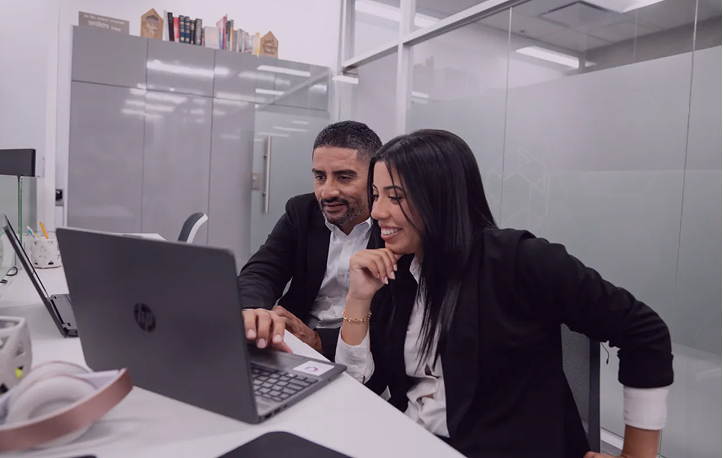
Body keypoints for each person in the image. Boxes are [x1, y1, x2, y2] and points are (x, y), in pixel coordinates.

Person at [335, 130, 673, 458]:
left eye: (396, 197)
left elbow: (644, 331)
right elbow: (358, 385)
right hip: (409, 439)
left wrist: (636, 455)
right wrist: (359, 298)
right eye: (376, 195)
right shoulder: (396, 269)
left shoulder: (516, 260)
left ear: (440, 197)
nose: (377, 211)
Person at [238, 121, 383, 359]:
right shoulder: (302, 211)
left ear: (375, 178)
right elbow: (262, 272)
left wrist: (318, 341)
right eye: (320, 177)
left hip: (363, 354)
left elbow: (394, 325)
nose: (327, 191)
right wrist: (254, 311)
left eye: (344, 177)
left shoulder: (391, 226)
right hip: (293, 342)